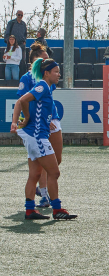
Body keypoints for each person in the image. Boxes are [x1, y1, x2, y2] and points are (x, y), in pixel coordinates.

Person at [10, 58, 77, 220]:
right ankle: (57, 210)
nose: (59, 74)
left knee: (34, 174)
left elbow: (34, 106)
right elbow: (22, 100)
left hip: (36, 135)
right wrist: (24, 119)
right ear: (46, 73)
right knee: (54, 172)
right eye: (56, 72)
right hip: (37, 137)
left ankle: (30, 210)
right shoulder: (42, 86)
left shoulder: (45, 86)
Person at [18, 42, 62, 208]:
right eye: (43, 59)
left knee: (56, 160)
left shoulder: (47, 80)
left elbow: (45, 102)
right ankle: (45, 196)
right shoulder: (29, 78)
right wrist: (28, 119)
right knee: (47, 167)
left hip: (51, 120)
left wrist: (48, 117)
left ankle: (42, 194)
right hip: (38, 127)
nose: (46, 61)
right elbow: (23, 101)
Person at [4, 10, 27, 76]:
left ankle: (22, 76)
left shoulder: (23, 24)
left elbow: (25, 34)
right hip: (12, 45)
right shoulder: (11, 23)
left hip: (21, 45)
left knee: (22, 60)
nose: (20, 16)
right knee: (11, 58)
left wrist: (24, 41)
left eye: (21, 15)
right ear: (16, 14)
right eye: (19, 15)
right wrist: (9, 42)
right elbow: (7, 34)